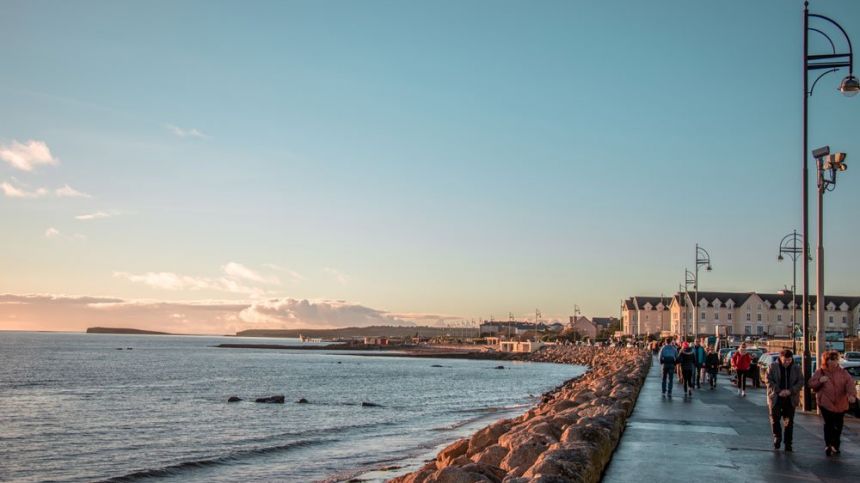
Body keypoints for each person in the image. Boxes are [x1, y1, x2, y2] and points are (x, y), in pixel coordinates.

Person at [809, 350, 858, 456]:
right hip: (826, 403)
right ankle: (828, 444)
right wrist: (820, 381)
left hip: (841, 403)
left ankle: (836, 445)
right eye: (831, 359)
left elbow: (850, 384)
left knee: (838, 425)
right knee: (829, 424)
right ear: (826, 361)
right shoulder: (820, 372)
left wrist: (851, 395)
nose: (834, 362)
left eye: (836, 359)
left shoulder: (843, 372)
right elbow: (811, 383)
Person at [766, 349, 803, 452]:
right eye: (785, 360)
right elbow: (768, 380)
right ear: (780, 358)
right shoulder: (773, 366)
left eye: (789, 360)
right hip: (776, 398)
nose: (787, 362)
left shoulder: (796, 368)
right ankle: (777, 437)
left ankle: (788, 443)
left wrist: (790, 391)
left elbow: (800, 381)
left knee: (788, 421)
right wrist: (779, 391)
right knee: (775, 419)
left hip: (790, 398)